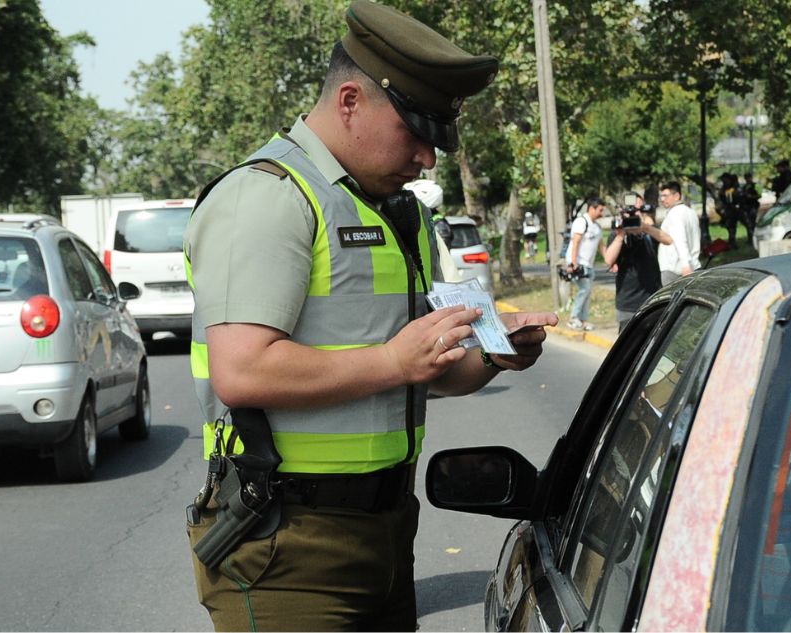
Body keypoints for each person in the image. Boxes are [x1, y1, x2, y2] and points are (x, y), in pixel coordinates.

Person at [182, 3, 558, 630]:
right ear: (351, 101)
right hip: (287, 544)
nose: (429, 159)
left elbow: (424, 371)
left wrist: (493, 354)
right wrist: (392, 360)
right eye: (415, 132)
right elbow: (242, 372)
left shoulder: (388, 208)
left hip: (385, 527)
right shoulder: (270, 197)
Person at [604, 195, 672, 332]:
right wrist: (621, 234)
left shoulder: (649, 231)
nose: (633, 213)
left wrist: (645, 228)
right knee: (629, 348)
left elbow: (668, 240)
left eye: (637, 209)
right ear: (622, 211)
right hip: (628, 303)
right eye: (630, 210)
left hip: (653, 299)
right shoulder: (617, 234)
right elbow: (608, 260)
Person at [565, 196, 606, 331]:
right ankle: (573, 318)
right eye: (600, 210)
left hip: (589, 265)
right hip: (578, 263)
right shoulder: (581, 222)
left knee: (587, 292)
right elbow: (575, 242)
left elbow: (601, 246)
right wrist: (573, 262)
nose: (602, 213)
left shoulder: (597, 227)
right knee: (584, 289)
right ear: (591, 208)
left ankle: (583, 320)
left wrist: (610, 261)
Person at [656, 181, 702, 285]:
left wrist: (685, 265)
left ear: (676, 196)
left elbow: (680, 240)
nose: (662, 199)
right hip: (694, 266)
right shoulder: (691, 212)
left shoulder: (675, 214)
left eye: (665, 196)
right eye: (661, 196)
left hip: (676, 270)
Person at [717, 172, 744, 249]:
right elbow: (722, 196)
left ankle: (749, 239)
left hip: (737, 209)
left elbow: (737, 196)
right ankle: (732, 242)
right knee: (730, 227)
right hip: (729, 210)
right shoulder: (725, 187)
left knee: (746, 224)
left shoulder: (734, 187)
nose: (724, 181)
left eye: (725, 180)